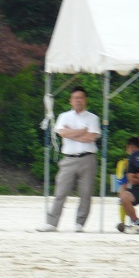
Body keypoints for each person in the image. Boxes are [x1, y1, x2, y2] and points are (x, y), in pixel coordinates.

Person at [38, 86, 101, 232]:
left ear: (85, 100)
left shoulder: (93, 118)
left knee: (86, 193)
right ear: (70, 101)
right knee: (61, 191)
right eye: (75, 98)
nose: (78, 100)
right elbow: (62, 132)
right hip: (69, 159)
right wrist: (81, 131)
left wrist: (72, 133)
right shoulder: (64, 116)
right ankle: (52, 223)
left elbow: (91, 137)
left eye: (81, 97)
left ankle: (79, 223)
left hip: (88, 158)